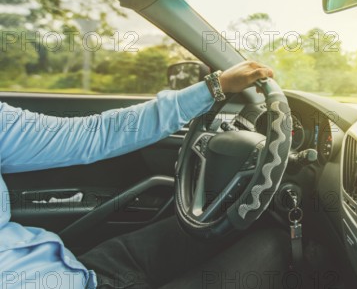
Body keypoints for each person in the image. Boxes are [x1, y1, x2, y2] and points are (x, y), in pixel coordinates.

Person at [0, 61, 289, 288]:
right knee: (278, 246)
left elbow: (96, 134)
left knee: (247, 227)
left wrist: (216, 86)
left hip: (77, 268)